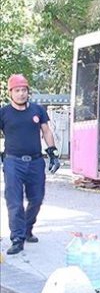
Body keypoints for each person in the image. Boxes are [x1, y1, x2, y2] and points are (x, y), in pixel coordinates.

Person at [0, 74, 61, 255]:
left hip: (35, 161)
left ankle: (27, 228)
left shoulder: (37, 110)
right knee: (15, 201)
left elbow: (47, 131)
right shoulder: (3, 113)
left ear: (28, 92)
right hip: (13, 162)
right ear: (10, 92)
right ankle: (17, 238)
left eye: (24, 90)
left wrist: (53, 153)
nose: (21, 94)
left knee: (36, 199)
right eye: (17, 90)